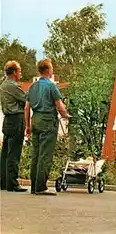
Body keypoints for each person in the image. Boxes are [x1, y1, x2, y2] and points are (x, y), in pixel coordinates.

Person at [25, 58, 69, 195]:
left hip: (35, 119)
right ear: (48, 70)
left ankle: (34, 186)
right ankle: (41, 186)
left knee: (36, 154)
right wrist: (66, 115)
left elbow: (27, 108)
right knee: (45, 155)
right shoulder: (51, 86)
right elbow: (59, 105)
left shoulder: (33, 87)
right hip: (48, 121)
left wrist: (27, 125)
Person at [0, 61, 27, 192]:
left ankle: (4, 181)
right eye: (19, 70)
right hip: (16, 118)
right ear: (14, 72)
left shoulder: (3, 84)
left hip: (8, 120)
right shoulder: (13, 86)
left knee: (5, 151)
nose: (20, 73)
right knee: (14, 152)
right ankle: (12, 182)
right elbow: (25, 98)